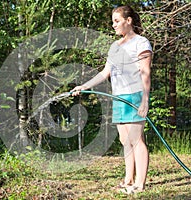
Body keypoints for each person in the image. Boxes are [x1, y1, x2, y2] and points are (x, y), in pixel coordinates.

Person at [71, 5, 152, 194]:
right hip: (118, 96)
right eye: (112, 21)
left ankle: (140, 184)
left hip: (134, 95)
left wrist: (145, 100)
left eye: (117, 21)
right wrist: (84, 86)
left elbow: (145, 71)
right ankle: (128, 179)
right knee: (125, 140)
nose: (113, 25)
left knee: (136, 139)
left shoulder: (141, 42)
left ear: (128, 21)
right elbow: (105, 72)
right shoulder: (115, 46)